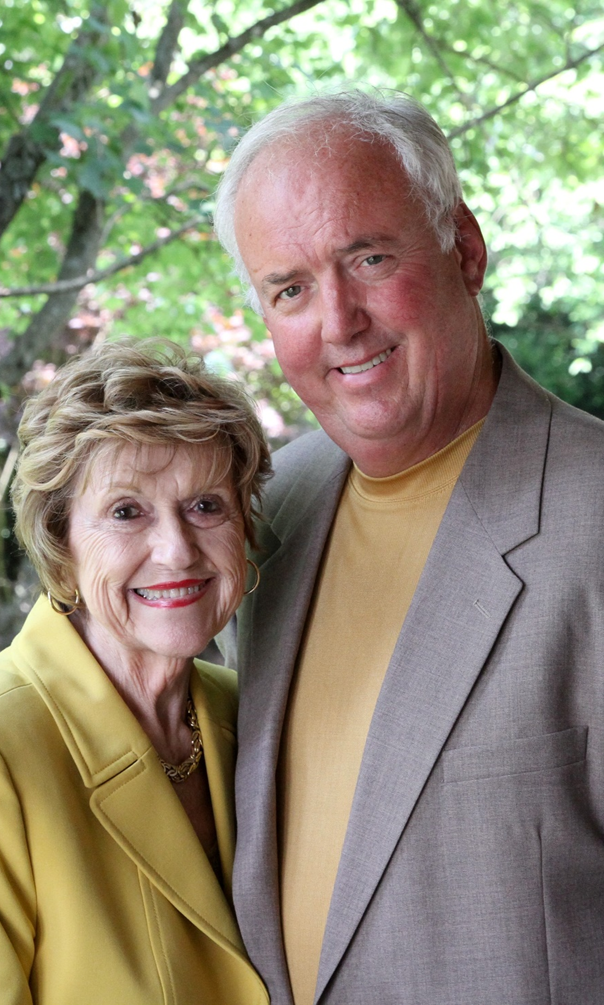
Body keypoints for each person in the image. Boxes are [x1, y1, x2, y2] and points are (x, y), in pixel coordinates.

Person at [213, 89, 604, 1005]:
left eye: (369, 258)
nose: (338, 321)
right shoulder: (263, 513)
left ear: (464, 249)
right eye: (291, 288)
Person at [0, 340, 272, 1005]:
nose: (177, 549)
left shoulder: (253, 712)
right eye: (126, 511)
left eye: (206, 505)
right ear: (61, 544)